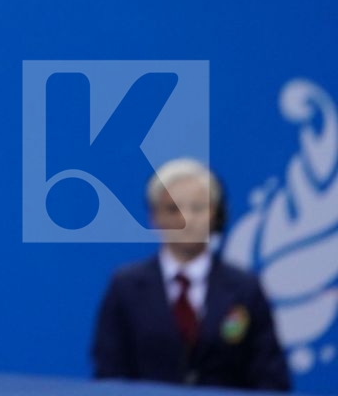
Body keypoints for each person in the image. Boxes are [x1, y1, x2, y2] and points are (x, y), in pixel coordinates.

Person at [90, 159, 291, 389]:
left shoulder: (245, 289)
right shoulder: (126, 287)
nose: (186, 220)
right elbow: (109, 374)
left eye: (198, 208)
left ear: (216, 215)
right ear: (154, 217)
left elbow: (271, 378)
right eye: (173, 209)